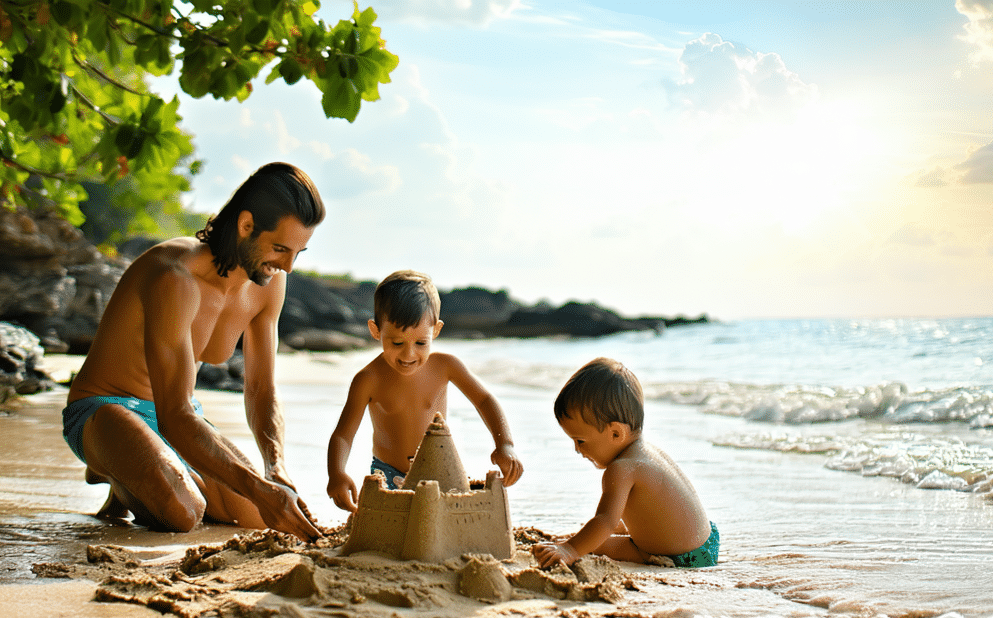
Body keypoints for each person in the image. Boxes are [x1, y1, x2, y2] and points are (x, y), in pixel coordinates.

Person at [62, 162, 323, 540]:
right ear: (246, 225)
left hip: (180, 419)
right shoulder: (174, 277)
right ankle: (111, 469)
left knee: (257, 516)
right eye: (281, 249)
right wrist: (256, 486)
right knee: (184, 511)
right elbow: (175, 414)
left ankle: (145, 471)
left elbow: (262, 390)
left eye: (298, 252)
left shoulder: (270, 285)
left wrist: (274, 469)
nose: (288, 266)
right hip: (106, 409)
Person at [326, 270, 524, 511]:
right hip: (388, 474)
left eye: (421, 343)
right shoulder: (368, 379)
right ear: (376, 330)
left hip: (439, 467)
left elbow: (484, 400)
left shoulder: (446, 366)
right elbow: (343, 435)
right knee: (391, 527)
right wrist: (337, 473)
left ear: (436, 330)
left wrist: (505, 444)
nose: (409, 354)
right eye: (397, 343)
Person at [532, 357, 719, 569]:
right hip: (707, 544)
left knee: (598, 546)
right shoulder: (647, 453)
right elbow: (653, 511)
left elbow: (605, 520)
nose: (577, 449)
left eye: (580, 440)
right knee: (597, 538)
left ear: (615, 432)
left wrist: (570, 549)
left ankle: (569, 545)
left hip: (682, 558)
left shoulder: (620, 469)